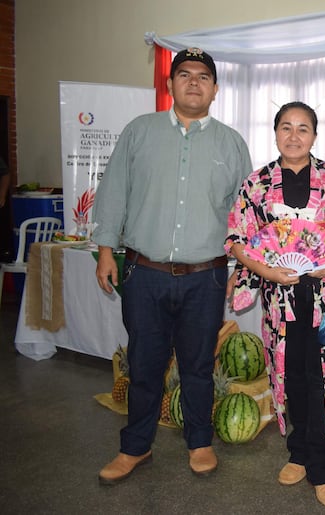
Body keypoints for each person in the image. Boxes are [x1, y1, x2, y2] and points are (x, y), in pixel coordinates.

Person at [93, 48, 253, 485]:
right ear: (170, 84)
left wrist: (243, 268)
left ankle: (199, 442)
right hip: (144, 274)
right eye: (184, 74)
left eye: (203, 76)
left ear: (215, 89)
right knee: (144, 364)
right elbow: (114, 191)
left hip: (206, 277)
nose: (194, 82)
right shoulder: (139, 132)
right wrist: (105, 249)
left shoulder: (231, 143)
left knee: (198, 366)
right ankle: (135, 447)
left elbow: (244, 214)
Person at [225, 101, 325, 508]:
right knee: (291, 377)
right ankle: (299, 452)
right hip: (281, 300)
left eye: (303, 128)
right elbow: (237, 239)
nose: (294, 135)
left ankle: (324, 467)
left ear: (315, 135)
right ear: (275, 133)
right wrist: (266, 271)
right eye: (285, 127)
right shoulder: (256, 185)